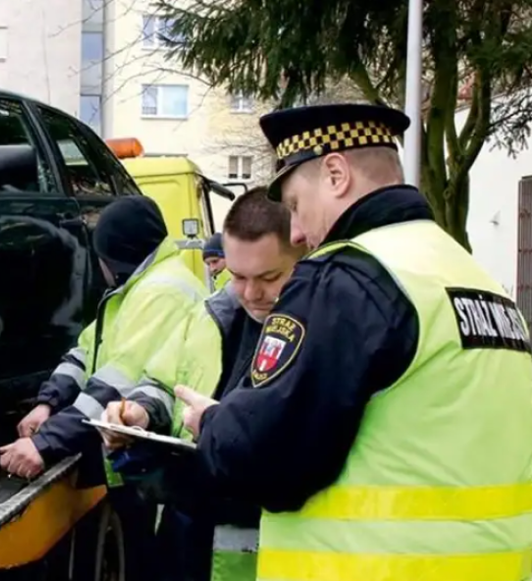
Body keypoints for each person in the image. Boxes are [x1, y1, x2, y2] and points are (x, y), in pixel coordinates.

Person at [111, 103, 532, 581]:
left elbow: (264, 459)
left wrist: (213, 421)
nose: (295, 230)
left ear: (335, 173)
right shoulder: (476, 281)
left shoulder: (346, 277)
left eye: (294, 204)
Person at [101, 187, 304, 581]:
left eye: (269, 277)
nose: (250, 293)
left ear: (301, 254)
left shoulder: (313, 328)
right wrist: (138, 412)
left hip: (254, 554)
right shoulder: (209, 315)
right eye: (238, 275)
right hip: (186, 535)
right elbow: (163, 380)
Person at [0, 195, 207, 479]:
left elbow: (118, 383)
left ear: (114, 257)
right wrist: (48, 403)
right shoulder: (140, 287)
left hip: (156, 458)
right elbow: (85, 353)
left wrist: (46, 442)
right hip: (139, 449)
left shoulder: (160, 293)